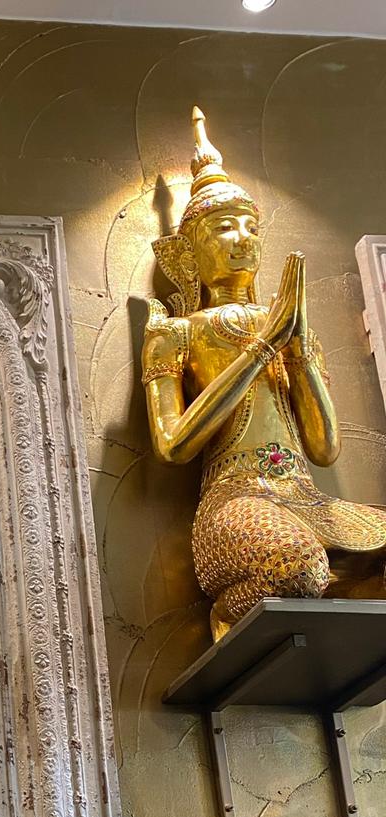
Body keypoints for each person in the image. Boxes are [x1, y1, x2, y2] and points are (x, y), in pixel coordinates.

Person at [142, 108, 386, 640]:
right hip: (233, 504)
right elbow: (173, 445)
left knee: (320, 565)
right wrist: (262, 346)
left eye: (251, 227)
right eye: (224, 227)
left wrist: (295, 345)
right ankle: (235, 611)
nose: (242, 238)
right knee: (295, 567)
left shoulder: (288, 326)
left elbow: (324, 450)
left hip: (305, 497)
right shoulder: (176, 332)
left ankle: (325, 588)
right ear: (188, 253)